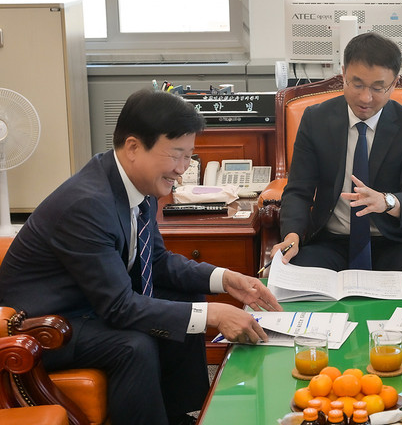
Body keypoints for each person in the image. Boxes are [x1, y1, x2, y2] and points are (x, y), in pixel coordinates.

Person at [0, 89, 283, 425]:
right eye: (176, 155)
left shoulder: (137, 184)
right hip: (41, 325)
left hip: (88, 302)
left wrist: (225, 279)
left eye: (189, 157)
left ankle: (177, 416)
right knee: (133, 345)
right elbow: (119, 307)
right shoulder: (86, 205)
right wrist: (214, 314)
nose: (182, 169)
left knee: (187, 298)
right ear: (133, 147)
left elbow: (157, 262)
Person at [273, 32, 402, 273]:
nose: (365, 98)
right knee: (293, 273)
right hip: (330, 240)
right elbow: (299, 190)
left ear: (394, 84)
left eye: (378, 88)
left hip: (395, 241)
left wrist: (386, 201)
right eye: (357, 84)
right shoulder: (315, 120)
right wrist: (292, 235)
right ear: (343, 74)